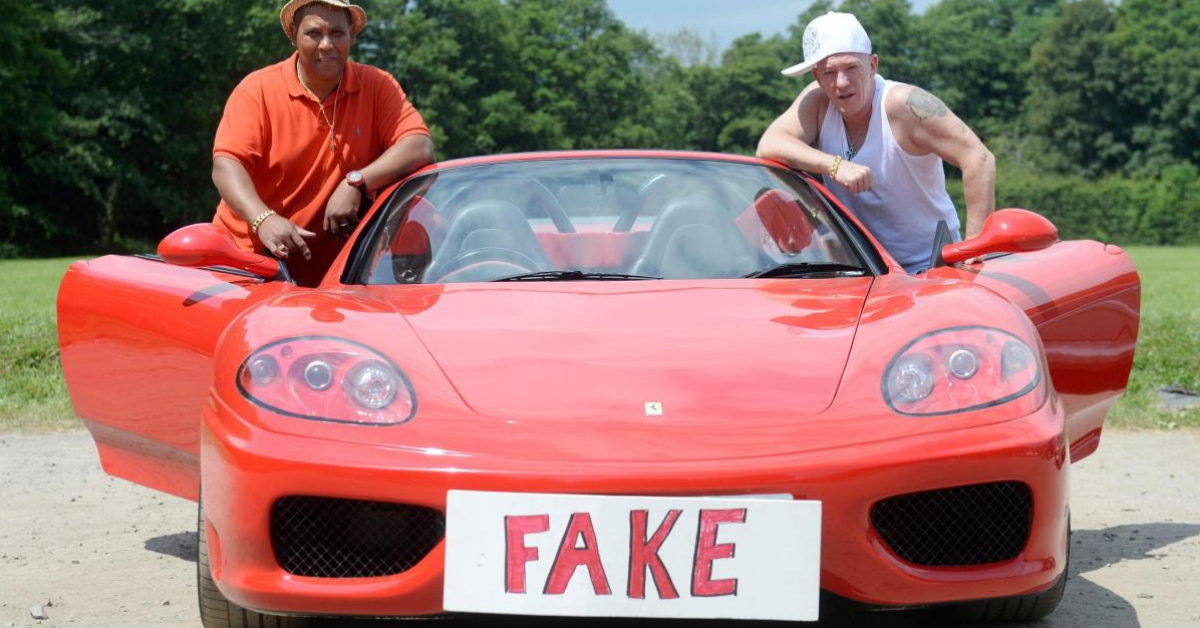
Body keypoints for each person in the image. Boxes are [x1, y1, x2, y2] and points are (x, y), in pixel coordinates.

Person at [211, 0, 435, 286]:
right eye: (313, 33)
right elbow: (227, 166)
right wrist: (263, 219)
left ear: (352, 36)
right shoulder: (257, 90)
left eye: (337, 33)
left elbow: (419, 146)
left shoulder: (377, 85)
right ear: (293, 36)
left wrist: (356, 182)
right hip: (250, 265)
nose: (326, 44)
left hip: (339, 274)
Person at [757, 12, 995, 274]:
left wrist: (974, 250)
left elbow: (979, 159)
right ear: (817, 78)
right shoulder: (818, 103)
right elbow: (769, 144)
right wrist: (835, 165)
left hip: (932, 269)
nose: (841, 83)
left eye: (851, 68)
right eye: (829, 73)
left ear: (872, 65)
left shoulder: (903, 104)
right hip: (864, 273)